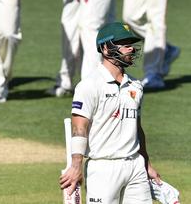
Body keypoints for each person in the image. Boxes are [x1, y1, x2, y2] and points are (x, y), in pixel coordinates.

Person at [59, 22, 162, 203]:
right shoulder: (89, 85)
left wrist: (146, 164)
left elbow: (137, 128)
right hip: (103, 168)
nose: (131, 49)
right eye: (125, 44)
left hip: (135, 165)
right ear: (106, 48)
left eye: (131, 44)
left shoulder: (136, 86)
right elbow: (79, 128)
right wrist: (76, 166)